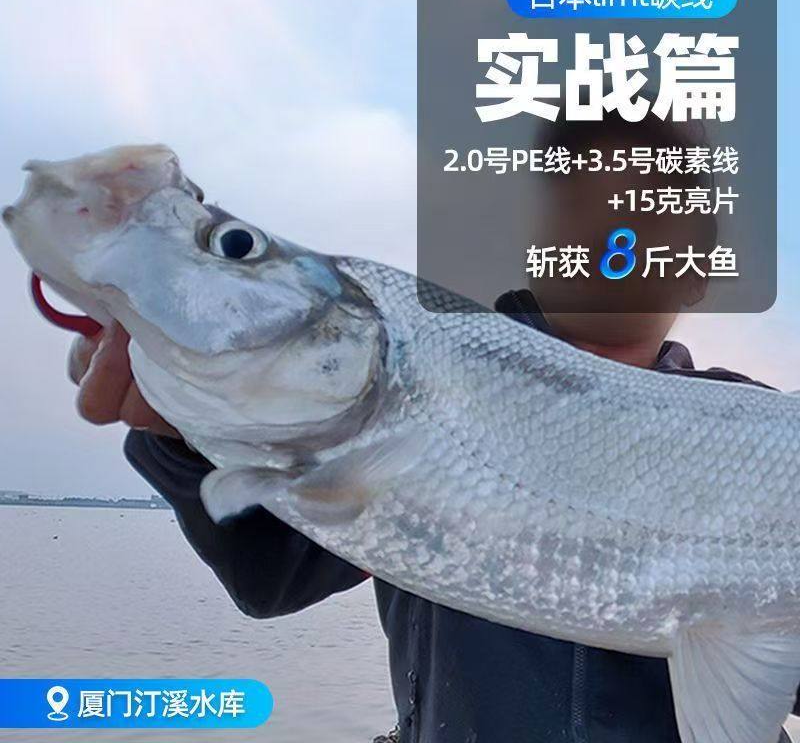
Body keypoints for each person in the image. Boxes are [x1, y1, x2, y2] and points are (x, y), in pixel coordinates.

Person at [66, 113, 796, 742]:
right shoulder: (418, 386)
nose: (612, 227)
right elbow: (273, 574)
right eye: (580, 203)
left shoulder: (764, 439)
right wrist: (184, 439)